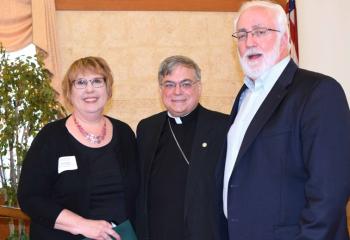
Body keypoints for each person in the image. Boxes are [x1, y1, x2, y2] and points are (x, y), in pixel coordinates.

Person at [216, 1, 350, 239]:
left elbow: (329, 192)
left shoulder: (319, 92)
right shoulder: (244, 97)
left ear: (285, 38)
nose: (249, 42)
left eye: (260, 31)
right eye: (242, 34)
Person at [17, 56, 138, 240]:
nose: (90, 89)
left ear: (108, 88)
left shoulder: (124, 133)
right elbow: (30, 198)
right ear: (69, 92)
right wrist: (82, 225)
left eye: (97, 81)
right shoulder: (50, 137)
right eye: (80, 82)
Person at [135, 55, 229, 240]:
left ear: (199, 87)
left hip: (207, 233)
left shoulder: (223, 126)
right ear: (161, 89)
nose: (177, 91)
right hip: (158, 232)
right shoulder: (147, 128)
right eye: (169, 84)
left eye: (186, 84)